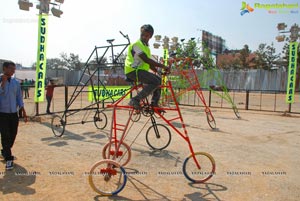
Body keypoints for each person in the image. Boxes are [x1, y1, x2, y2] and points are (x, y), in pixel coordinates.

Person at [125, 24, 169, 111]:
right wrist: (163, 66)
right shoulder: (136, 45)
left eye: (147, 35)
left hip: (140, 71)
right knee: (156, 81)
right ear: (140, 33)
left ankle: (154, 103)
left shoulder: (147, 48)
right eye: (143, 35)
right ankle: (135, 100)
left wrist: (158, 71)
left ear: (150, 36)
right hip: (133, 71)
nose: (144, 37)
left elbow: (150, 64)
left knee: (158, 80)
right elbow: (146, 60)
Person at [0, 61, 28, 170]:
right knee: (5, 135)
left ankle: (5, 151)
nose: (13, 71)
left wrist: (23, 111)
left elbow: (19, 98)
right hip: (2, 114)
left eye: (14, 69)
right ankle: (9, 159)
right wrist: (3, 82)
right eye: (11, 69)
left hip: (13, 114)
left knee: (13, 134)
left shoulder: (16, 83)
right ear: (5, 68)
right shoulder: (0, 80)